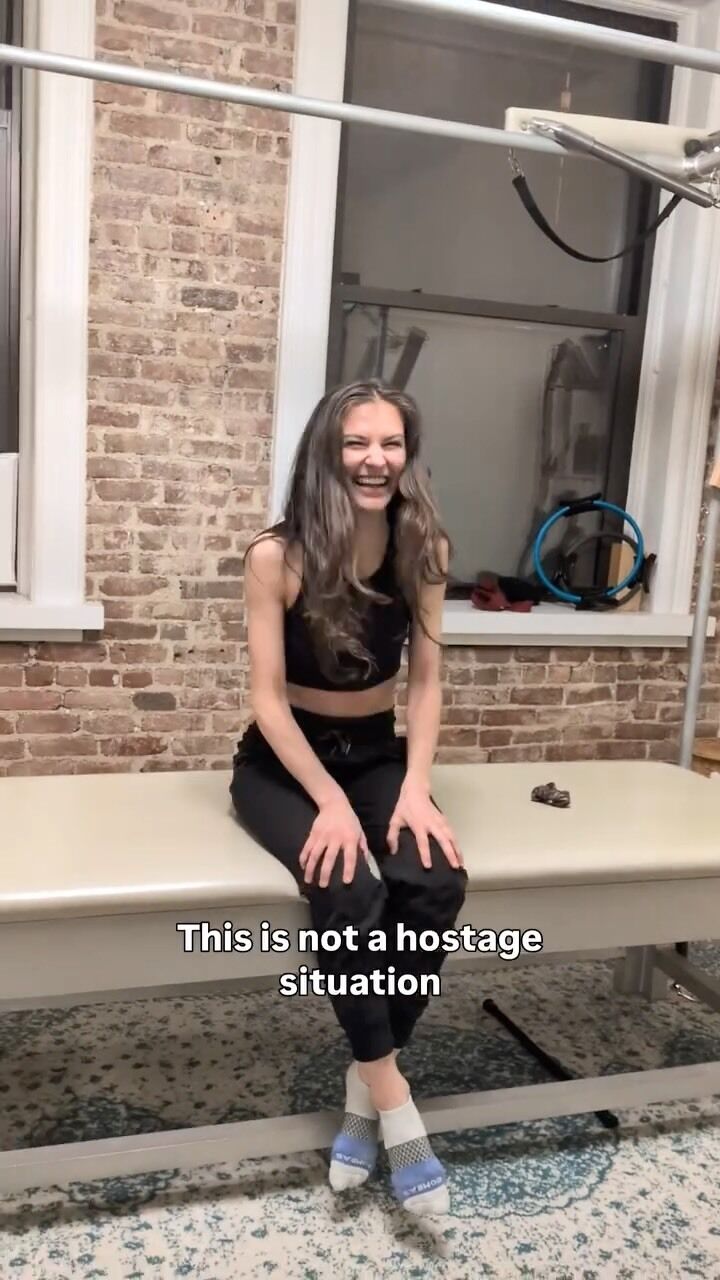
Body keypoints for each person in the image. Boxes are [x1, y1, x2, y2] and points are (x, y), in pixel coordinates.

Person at [230, 380, 467, 1215]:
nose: (375, 459)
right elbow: (265, 698)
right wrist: (328, 800)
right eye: (356, 443)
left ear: (408, 454)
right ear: (327, 454)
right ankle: (395, 1104)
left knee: (433, 879)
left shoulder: (424, 546)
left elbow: (427, 683)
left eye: (391, 443)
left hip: (375, 752)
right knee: (347, 887)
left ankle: (365, 1079)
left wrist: (417, 787)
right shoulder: (275, 555)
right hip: (282, 761)